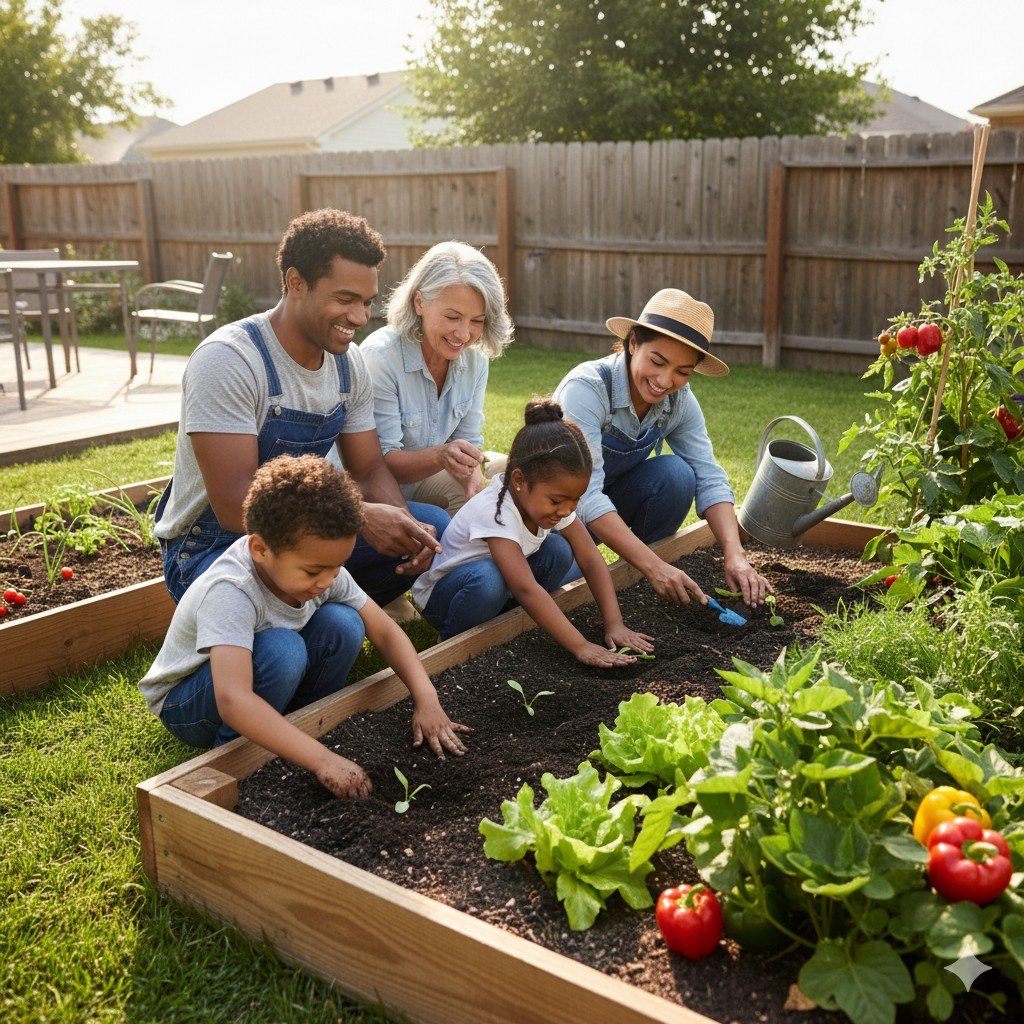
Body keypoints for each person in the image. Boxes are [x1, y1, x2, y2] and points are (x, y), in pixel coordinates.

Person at [153, 208, 448, 612]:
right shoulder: (230, 360)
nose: (361, 317)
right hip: (216, 547)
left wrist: (402, 523)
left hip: (303, 540)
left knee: (430, 528)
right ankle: (320, 620)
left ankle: (324, 608)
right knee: (289, 654)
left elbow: (367, 470)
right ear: (296, 283)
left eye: (366, 302)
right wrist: (363, 517)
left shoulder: (350, 364)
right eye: (345, 299)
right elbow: (234, 505)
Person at [140, 455, 469, 799]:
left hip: (254, 675)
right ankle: (238, 758)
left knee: (345, 623)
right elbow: (233, 699)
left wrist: (426, 697)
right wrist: (322, 761)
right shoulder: (231, 589)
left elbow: (384, 630)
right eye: (313, 572)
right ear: (260, 549)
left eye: (337, 566)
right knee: (283, 652)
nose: (327, 581)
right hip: (189, 702)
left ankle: (303, 724)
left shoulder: (323, 570)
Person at [552, 288, 770, 607]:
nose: (665, 381)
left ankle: (636, 580)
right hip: (555, 518)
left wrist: (735, 556)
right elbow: (586, 496)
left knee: (677, 476)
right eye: (658, 361)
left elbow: (710, 476)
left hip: (604, 506)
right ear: (634, 343)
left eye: (682, 372)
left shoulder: (678, 402)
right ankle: (644, 568)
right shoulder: (588, 390)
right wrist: (656, 566)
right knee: (559, 578)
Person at [413, 399, 653, 666]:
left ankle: (508, 624)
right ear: (519, 481)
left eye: (575, 501)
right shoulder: (495, 511)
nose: (566, 510)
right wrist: (581, 646)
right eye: (558, 501)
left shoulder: (549, 500)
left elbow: (590, 557)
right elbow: (526, 588)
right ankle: (451, 649)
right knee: (489, 579)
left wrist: (615, 623)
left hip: (495, 589)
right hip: (448, 598)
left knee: (559, 550)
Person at [350, 240, 512, 515]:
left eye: (477, 321)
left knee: (517, 485)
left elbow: (469, 438)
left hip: (428, 480)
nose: (463, 334)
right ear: (419, 302)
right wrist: (442, 455)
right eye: (452, 317)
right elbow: (377, 464)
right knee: (451, 511)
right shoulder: (381, 358)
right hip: (375, 494)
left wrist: (472, 475)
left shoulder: (475, 359)